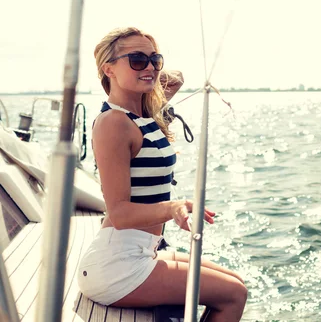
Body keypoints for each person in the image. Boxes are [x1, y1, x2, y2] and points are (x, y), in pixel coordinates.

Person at [77, 27, 247, 321]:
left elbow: (176, 78)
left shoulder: (144, 111)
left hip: (142, 252)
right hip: (117, 265)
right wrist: (172, 208)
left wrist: (143, 67)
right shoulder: (114, 123)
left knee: (237, 281)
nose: (152, 67)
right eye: (137, 59)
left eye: (155, 59)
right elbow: (118, 214)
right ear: (108, 68)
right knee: (234, 295)